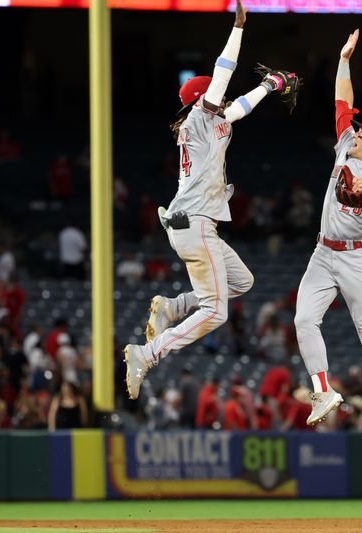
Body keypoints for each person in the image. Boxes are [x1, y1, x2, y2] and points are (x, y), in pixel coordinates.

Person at [123, 0, 298, 400]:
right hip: (195, 222)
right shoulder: (200, 118)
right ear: (203, 99)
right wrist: (238, 29)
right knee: (216, 311)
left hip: (196, 223)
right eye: (214, 95)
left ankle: (173, 305)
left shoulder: (214, 121)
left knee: (242, 281)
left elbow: (238, 108)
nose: (221, 98)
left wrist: (271, 86)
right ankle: (147, 353)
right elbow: (224, 73)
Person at [293, 29, 362, 438]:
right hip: (323, 253)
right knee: (303, 320)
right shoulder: (344, 145)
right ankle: (322, 391)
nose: (356, 130)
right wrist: (344, 59)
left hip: (355, 255)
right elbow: (342, 101)